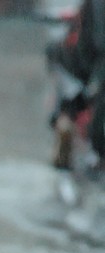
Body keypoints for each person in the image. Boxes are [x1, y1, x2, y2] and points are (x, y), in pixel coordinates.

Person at [46, 0, 105, 169]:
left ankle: (65, 125)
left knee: (70, 105)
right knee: (80, 103)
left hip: (75, 64)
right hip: (83, 66)